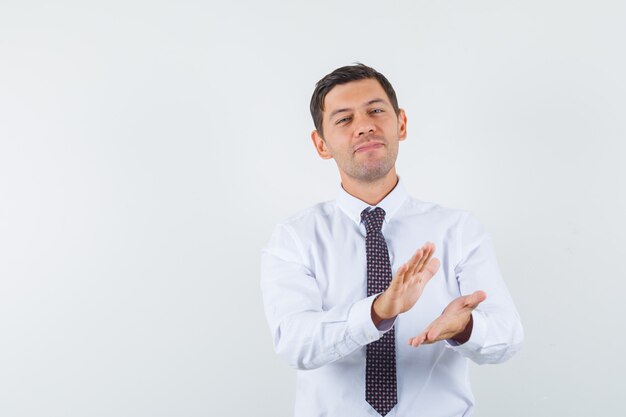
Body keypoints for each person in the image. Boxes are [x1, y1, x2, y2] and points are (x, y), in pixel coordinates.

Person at [260, 63, 523, 417]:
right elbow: (294, 343)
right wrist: (377, 312)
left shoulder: (458, 229)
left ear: (401, 124)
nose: (365, 125)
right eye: (344, 119)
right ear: (321, 144)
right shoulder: (294, 238)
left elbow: (508, 336)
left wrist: (465, 328)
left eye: (376, 111)